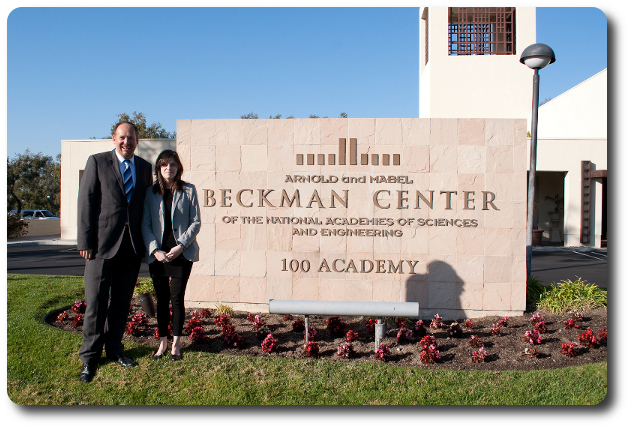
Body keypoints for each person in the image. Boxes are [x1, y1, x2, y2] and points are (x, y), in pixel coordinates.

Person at [77, 122, 153, 383]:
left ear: (137, 140)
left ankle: (115, 350)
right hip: (100, 247)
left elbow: (146, 207)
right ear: (114, 139)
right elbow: (86, 202)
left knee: (120, 304)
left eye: (131, 138)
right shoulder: (97, 162)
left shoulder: (145, 168)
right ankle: (89, 358)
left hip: (131, 248)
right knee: (95, 304)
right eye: (122, 138)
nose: (126, 142)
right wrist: (84, 242)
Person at [141, 150, 201, 361]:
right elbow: (145, 224)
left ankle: (176, 344)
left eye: (173, 165)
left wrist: (181, 246)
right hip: (157, 254)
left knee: (176, 299)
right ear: (159, 168)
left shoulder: (189, 190)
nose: (169, 168)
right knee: (162, 299)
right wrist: (155, 250)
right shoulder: (150, 193)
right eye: (165, 165)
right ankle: (162, 343)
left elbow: (196, 222)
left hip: (181, 254)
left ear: (178, 168)